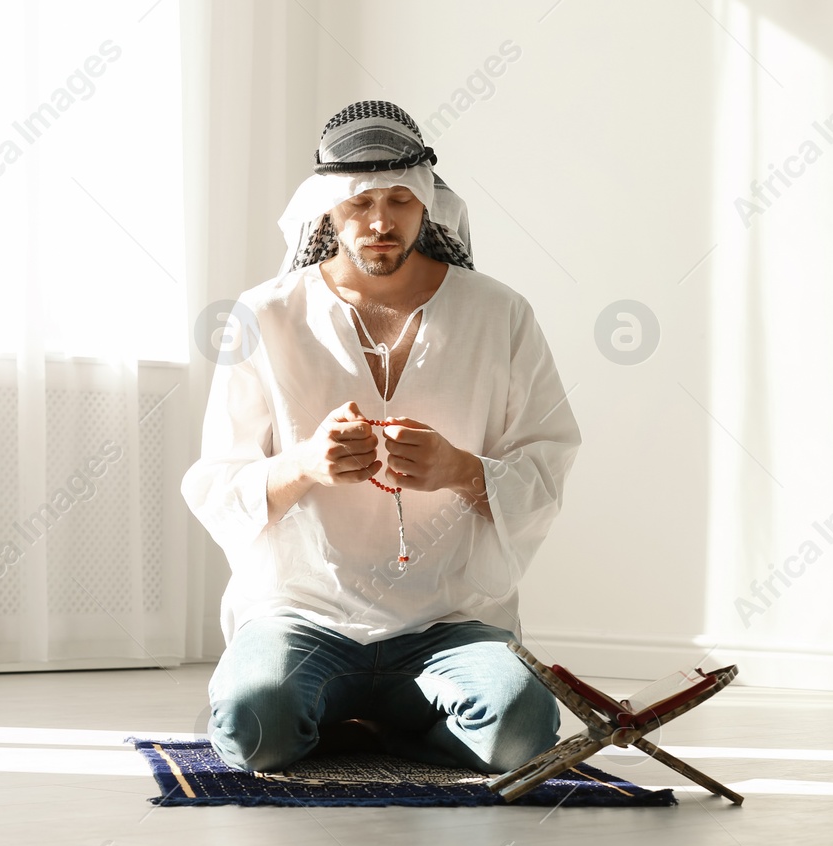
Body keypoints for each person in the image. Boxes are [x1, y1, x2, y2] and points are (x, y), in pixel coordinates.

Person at [181, 100, 581, 775]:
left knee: (524, 729)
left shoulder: (500, 314)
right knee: (256, 727)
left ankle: (368, 726)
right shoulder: (263, 315)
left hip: (449, 619)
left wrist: (460, 468)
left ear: (427, 204)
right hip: (302, 613)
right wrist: (306, 463)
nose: (378, 220)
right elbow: (218, 482)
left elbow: (548, 460)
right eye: (359, 200)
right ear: (326, 210)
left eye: (399, 199)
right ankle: (347, 715)